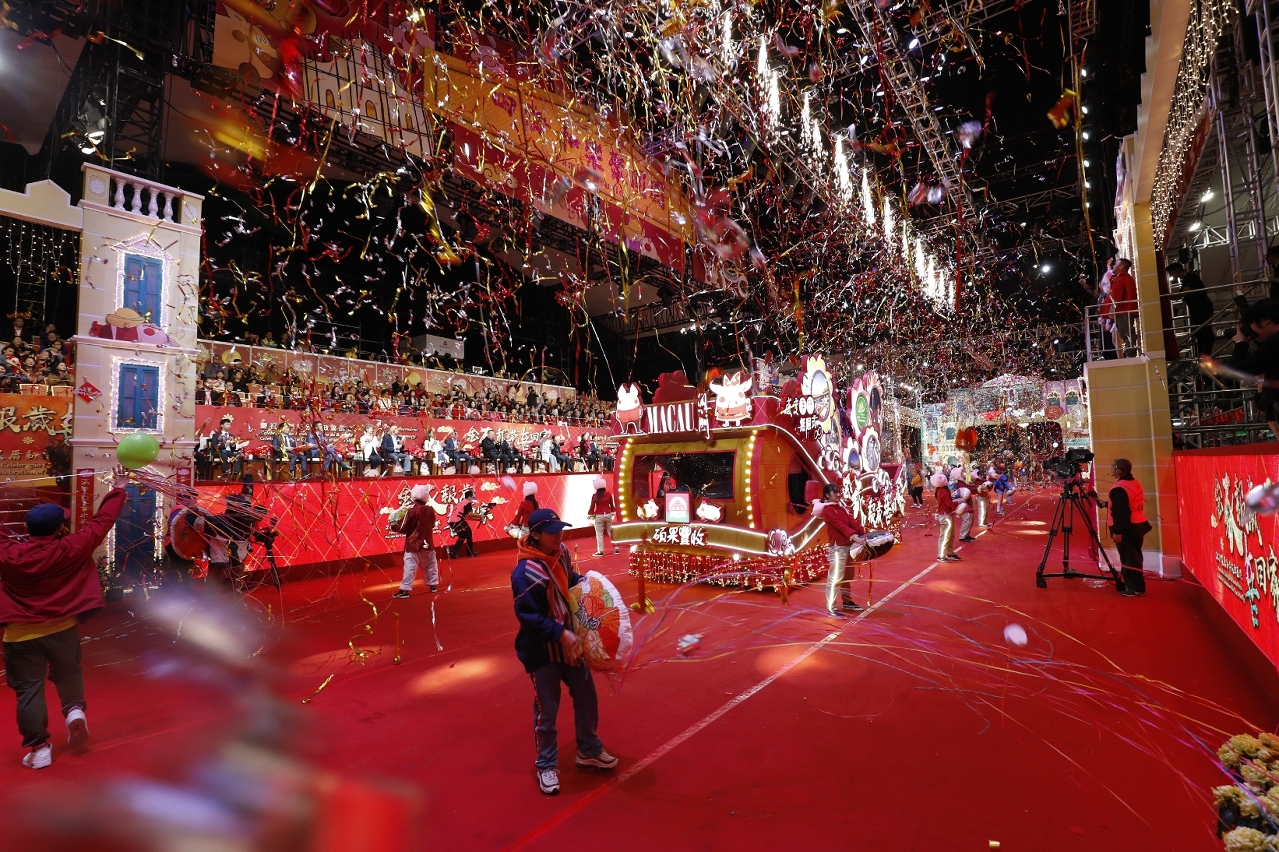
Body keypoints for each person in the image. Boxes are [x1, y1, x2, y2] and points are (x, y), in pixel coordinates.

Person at [0, 470, 127, 769]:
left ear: (27, 527)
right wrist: (119, 488)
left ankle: (39, 748)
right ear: (60, 528)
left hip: (20, 635)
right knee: (68, 673)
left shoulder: (8, 553)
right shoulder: (72, 547)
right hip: (62, 629)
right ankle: (74, 711)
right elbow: (102, 521)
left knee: (29, 691)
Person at [511, 508, 618, 795]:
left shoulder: (562, 554)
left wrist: (587, 585)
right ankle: (546, 764)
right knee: (547, 712)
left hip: (572, 644)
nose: (559, 535)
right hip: (544, 650)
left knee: (587, 697)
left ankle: (588, 749)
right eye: (552, 532)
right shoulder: (526, 572)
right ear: (535, 535)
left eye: (560, 529)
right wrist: (560, 633)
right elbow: (528, 616)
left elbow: (568, 581)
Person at [1229, 299, 1279, 437]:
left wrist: (1241, 343)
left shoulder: (1274, 344)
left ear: (1266, 320)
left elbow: (1237, 371)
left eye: (1252, 324)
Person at [814, 483, 866, 615]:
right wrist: (856, 537)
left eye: (839, 491)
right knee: (835, 578)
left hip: (848, 547)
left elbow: (852, 523)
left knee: (847, 577)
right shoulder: (827, 511)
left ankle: (847, 601)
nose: (838, 494)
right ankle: (831, 607)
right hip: (838, 549)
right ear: (827, 495)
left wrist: (865, 533)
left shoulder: (840, 508)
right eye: (835, 492)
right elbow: (841, 526)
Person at [1105, 459, 1152, 597]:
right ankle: (1134, 585)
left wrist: (1118, 532)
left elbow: (1122, 513)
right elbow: (1125, 504)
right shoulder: (1132, 483)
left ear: (1119, 471)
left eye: (1113, 466)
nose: (1111, 468)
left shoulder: (1119, 488)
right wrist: (1106, 504)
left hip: (1128, 528)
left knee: (1130, 559)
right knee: (1134, 557)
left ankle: (1136, 587)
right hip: (1138, 524)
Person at [392, 484, 439, 598]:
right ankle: (433, 585)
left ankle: (405, 590)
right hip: (428, 542)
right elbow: (433, 525)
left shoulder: (411, 511)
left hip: (413, 544)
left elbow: (403, 527)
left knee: (410, 566)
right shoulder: (430, 510)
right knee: (430, 564)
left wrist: (394, 525)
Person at [1167, 262, 1216, 357]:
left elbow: (1182, 293)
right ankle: (1204, 353)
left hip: (1202, 308)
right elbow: (1179, 295)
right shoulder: (1188, 278)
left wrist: (1164, 297)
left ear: (1176, 271)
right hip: (1199, 309)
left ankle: (1205, 353)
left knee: (1204, 332)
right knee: (1201, 332)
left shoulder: (1190, 277)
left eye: (1171, 273)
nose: (1170, 275)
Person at [1109, 258, 1138, 357]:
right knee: (1128, 332)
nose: (1114, 266)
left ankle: (1130, 354)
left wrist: (1112, 310)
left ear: (1121, 266)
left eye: (1116, 264)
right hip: (1127, 310)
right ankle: (1130, 352)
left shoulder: (1120, 278)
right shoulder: (1127, 278)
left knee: (1126, 333)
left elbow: (1116, 296)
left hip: (1123, 311)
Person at [932, 472, 960, 562]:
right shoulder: (943, 491)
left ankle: (949, 552)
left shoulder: (939, 490)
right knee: (945, 536)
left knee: (950, 535)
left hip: (946, 514)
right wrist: (959, 502)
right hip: (945, 515)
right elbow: (949, 503)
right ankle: (941, 555)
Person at [588, 476, 619, 557]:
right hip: (608, 514)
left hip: (599, 515)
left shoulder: (595, 496)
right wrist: (613, 512)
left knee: (599, 534)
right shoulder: (608, 494)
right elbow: (612, 505)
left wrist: (590, 514)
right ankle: (616, 548)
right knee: (610, 532)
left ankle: (600, 551)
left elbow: (592, 508)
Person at [448, 488, 478, 558]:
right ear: (469, 497)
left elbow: (469, 517)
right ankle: (470, 553)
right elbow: (471, 514)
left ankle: (454, 551)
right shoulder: (467, 503)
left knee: (462, 536)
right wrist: (480, 516)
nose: (473, 499)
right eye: (472, 497)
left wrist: (479, 518)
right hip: (458, 521)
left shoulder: (461, 503)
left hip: (452, 523)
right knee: (469, 534)